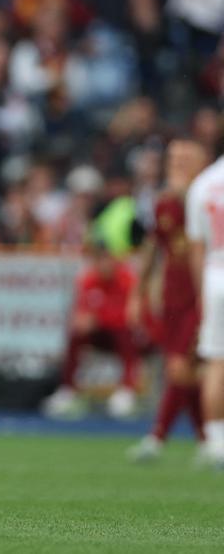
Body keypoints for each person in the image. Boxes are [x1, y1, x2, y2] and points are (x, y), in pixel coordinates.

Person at [127, 140, 207, 462]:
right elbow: (154, 248)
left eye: (185, 158)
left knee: (181, 368)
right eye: (173, 158)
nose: (177, 163)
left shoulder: (209, 197)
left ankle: (158, 437)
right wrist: (139, 293)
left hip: (203, 295)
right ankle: (208, 440)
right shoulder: (163, 202)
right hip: (173, 297)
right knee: (186, 371)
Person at [42, 236, 140, 419]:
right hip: (99, 334)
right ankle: (68, 390)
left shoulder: (127, 279)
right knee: (76, 335)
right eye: (100, 259)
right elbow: (80, 315)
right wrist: (89, 320)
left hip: (121, 334)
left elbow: (129, 316)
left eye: (107, 259)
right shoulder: (88, 280)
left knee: (126, 335)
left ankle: (127, 390)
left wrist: (99, 317)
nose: (104, 264)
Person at [185, 142, 224, 468]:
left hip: (215, 274)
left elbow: (196, 247)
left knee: (216, 361)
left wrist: (201, 292)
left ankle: (214, 439)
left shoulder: (203, 183)